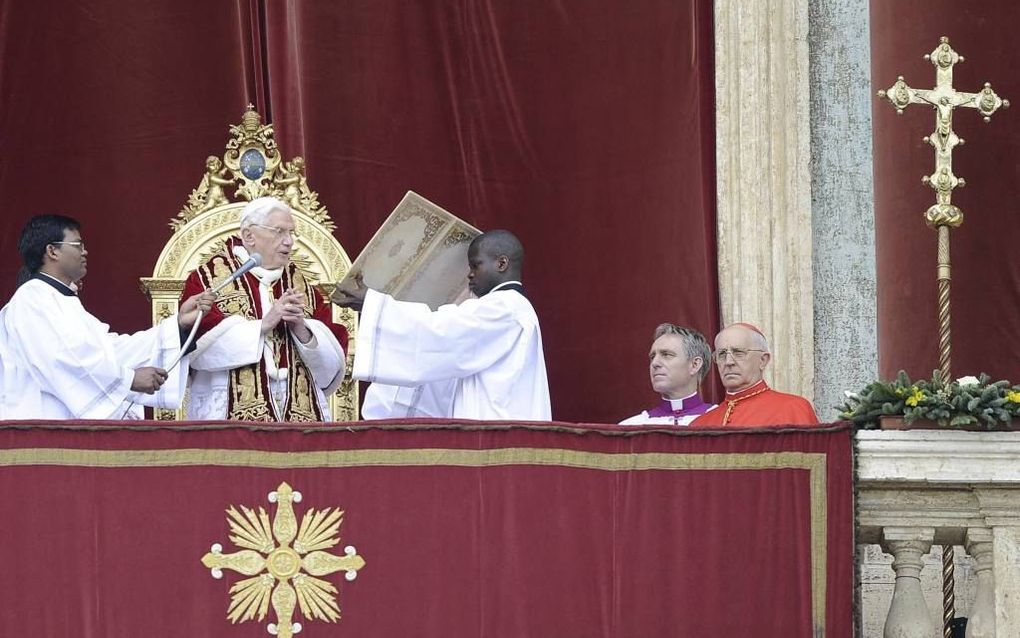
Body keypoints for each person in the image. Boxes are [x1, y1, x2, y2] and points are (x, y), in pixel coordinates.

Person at [0, 214, 215, 419]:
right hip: (40, 429)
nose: (85, 252)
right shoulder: (32, 299)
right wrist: (129, 379)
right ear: (52, 251)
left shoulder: (63, 301)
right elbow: (63, 359)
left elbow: (110, 352)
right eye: (78, 245)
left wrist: (178, 326)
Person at [333, 229, 551, 420]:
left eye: (476, 265)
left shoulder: (505, 307)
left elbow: (439, 333)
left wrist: (372, 303)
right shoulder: (508, 307)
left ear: (501, 263)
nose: (470, 274)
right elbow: (445, 350)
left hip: (499, 436)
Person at [181, 197, 348, 421]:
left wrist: (303, 331)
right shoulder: (209, 280)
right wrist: (262, 326)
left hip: (297, 427)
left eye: (291, 233)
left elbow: (329, 369)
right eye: (279, 232)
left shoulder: (303, 288)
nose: (289, 241)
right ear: (249, 235)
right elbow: (197, 350)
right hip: (228, 424)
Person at [691, 322, 819, 427]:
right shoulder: (700, 425)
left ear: (762, 360)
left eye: (738, 352)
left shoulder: (793, 409)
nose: (728, 362)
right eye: (722, 354)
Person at [619, 324, 714, 426]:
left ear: (695, 365)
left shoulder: (721, 422)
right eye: (652, 357)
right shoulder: (631, 427)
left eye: (666, 354)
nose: (654, 363)